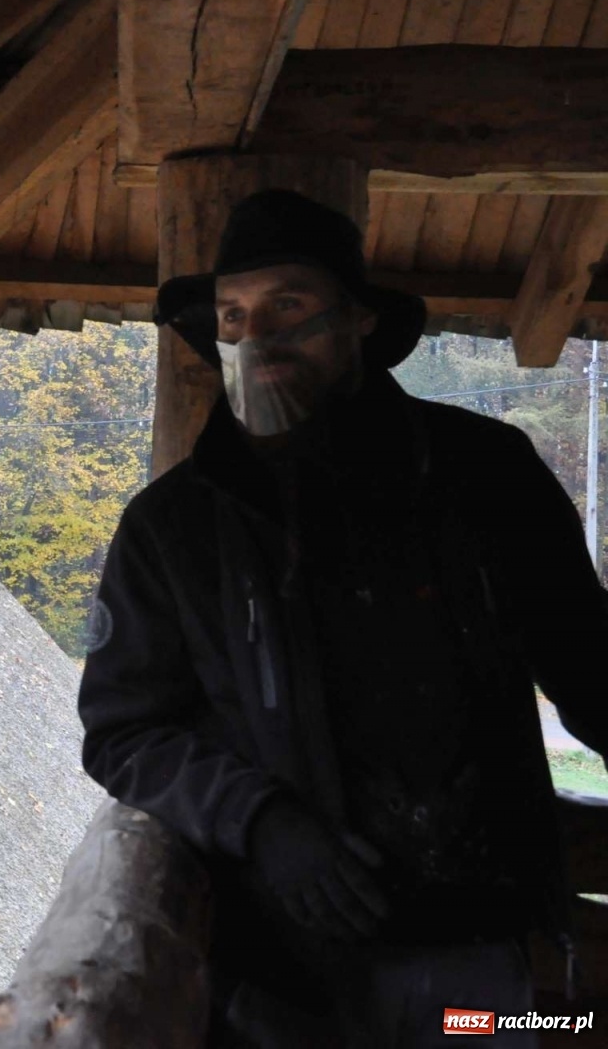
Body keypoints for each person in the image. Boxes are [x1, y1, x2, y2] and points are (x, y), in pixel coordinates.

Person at [76, 189, 608, 1048]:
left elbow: (590, 665)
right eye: (234, 316)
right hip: (284, 978)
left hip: (480, 964)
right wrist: (262, 822)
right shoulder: (173, 530)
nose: (258, 337)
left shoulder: (485, 478)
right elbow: (123, 732)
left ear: (358, 320)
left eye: (288, 305)